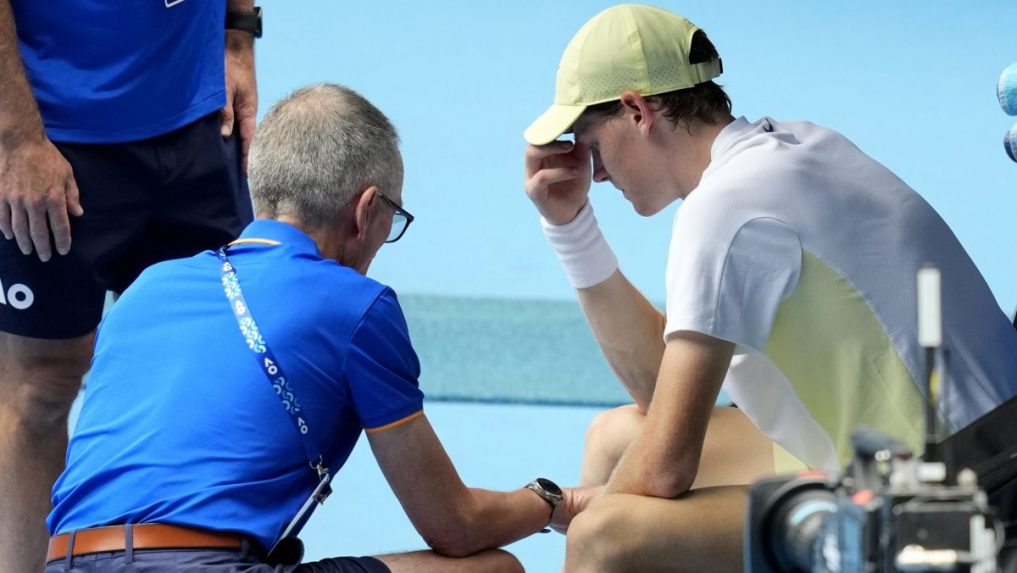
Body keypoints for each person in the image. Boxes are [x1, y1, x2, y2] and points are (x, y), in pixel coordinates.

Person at [522, 4, 1017, 571]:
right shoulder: (799, 146)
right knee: (613, 437)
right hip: (981, 445)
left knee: (603, 537)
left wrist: (550, 506)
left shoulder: (723, 209)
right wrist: (571, 226)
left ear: (636, 111)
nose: (596, 171)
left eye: (590, 141)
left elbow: (662, 470)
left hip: (963, 497)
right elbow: (662, 393)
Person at [43, 83, 584, 573]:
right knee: (492, 571)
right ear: (366, 210)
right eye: (392, 218)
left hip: (64, 563)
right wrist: (552, 501)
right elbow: (454, 525)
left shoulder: (147, 287)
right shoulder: (357, 304)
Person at [0, 1, 258, 571]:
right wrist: (14, 139)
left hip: (198, 121)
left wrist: (238, 32)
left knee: (203, 374)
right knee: (40, 388)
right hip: (54, 132)